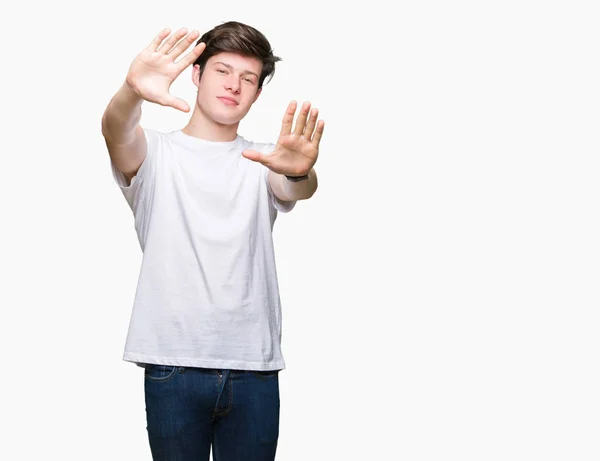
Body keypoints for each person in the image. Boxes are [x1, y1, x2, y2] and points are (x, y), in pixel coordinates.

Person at [101, 20, 324, 461]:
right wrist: (131, 91)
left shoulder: (265, 160)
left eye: (248, 78)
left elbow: (297, 186)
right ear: (197, 75)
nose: (234, 85)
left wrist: (299, 170)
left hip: (254, 369)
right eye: (222, 71)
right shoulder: (154, 153)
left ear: (258, 92)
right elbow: (115, 130)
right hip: (173, 365)